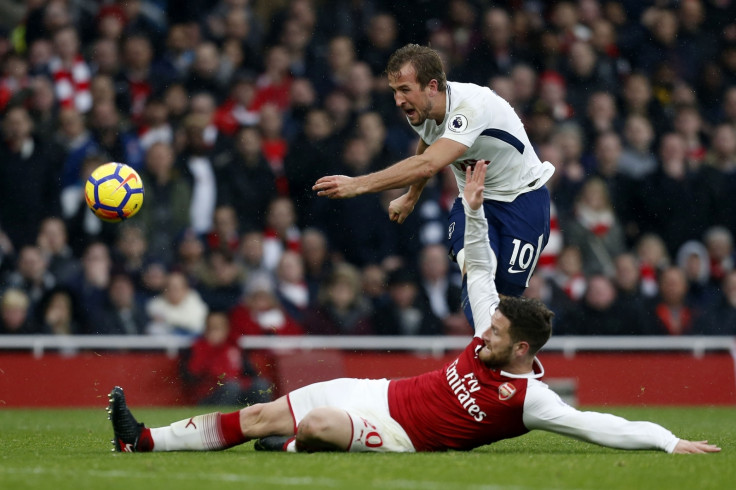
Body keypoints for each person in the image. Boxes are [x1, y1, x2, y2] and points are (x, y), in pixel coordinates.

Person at [108, 163, 718, 455]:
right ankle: (144, 442)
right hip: (380, 393)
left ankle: (295, 452)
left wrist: (667, 443)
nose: (483, 336)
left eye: (498, 333)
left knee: (314, 427)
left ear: (523, 351)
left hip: (397, 436)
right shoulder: (488, 329)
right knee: (267, 413)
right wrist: (474, 208)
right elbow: (478, 269)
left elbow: (602, 426)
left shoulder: (530, 400)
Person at [313, 44, 554, 326]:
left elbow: (428, 164)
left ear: (431, 86)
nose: (398, 100)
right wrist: (412, 196)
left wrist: (358, 184)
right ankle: (479, 362)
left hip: (523, 202)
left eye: (404, 89)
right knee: (477, 286)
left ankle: (506, 364)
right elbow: (427, 144)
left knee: (505, 305)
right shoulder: (423, 110)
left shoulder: (472, 107)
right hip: (475, 203)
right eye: (394, 90)